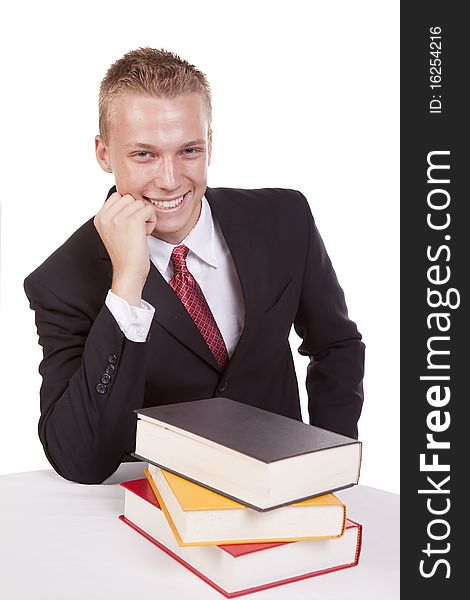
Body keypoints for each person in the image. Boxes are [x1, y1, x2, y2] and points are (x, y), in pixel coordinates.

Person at [24, 48, 365, 484]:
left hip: (280, 490)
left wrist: (325, 460)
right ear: (104, 154)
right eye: (143, 155)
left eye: (188, 150)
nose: (169, 179)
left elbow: (336, 344)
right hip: (155, 501)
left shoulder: (284, 218)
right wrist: (126, 288)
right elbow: (78, 460)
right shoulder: (61, 282)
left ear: (210, 145)